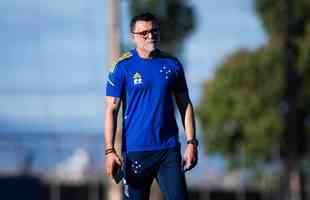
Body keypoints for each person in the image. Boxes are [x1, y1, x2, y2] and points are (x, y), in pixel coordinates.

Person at [104, 12, 198, 200]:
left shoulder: (172, 64)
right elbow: (111, 110)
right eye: (144, 32)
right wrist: (109, 150)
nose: (150, 35)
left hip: (168, 151)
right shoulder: (121, 67)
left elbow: (185, 105)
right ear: (133, 37)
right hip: (136, 152)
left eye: (154, 31)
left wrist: (191, 142)